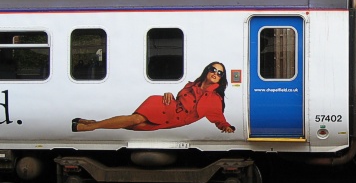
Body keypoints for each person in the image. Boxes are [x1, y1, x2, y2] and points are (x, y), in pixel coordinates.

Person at [72, 61, 235, 133]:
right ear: (207, 71)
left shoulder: (214, 98)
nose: (215, 73)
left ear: (221, 78)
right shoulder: (192, 84)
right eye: (213, 70)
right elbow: (179, 99)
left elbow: (218, 117)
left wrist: (226, 127)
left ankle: (91, 122)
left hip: (171, 119)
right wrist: (169, 94)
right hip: (163, 106)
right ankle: (88, 127)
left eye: (219, 73)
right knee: (133, 120)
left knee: (130, 125)